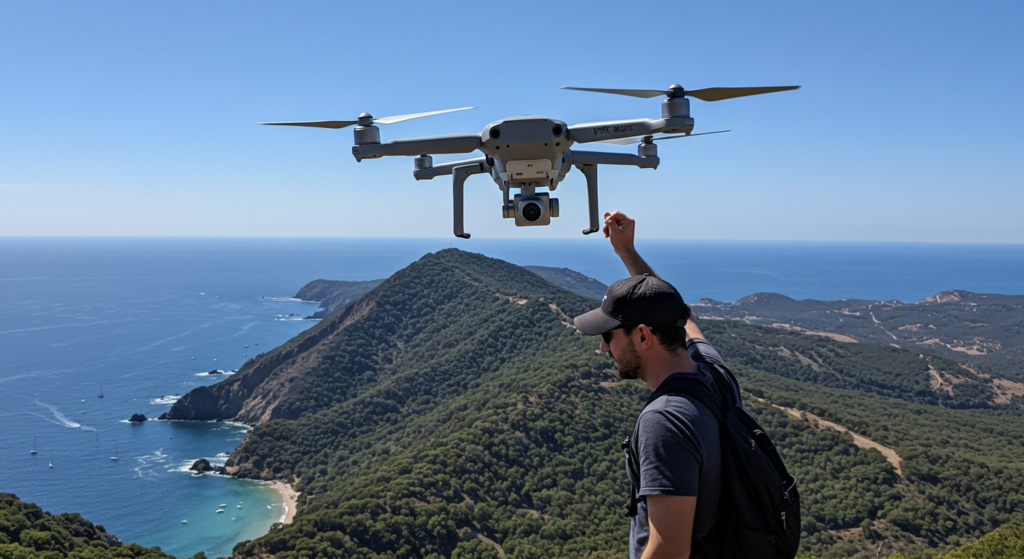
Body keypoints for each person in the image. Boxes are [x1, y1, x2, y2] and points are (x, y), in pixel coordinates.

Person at [574, 210, 744, 559]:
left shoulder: (664, 423)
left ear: (642, 335)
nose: (603, 347)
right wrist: (627, 252)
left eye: (609, 335)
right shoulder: (714, 373)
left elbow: (668, 551)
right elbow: (681, 313)